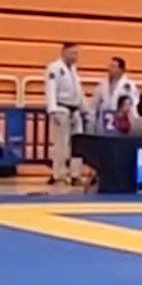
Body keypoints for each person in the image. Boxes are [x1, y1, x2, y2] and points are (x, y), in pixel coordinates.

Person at [44, 42, 85, 185]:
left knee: (78, 144)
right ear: (63, 52)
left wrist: (84, 109)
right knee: (61, 144)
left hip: (75, 111)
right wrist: (52, 110)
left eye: (76, 53)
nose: (75, 56)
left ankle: (75, 175)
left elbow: (78, 91)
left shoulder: (73, 69)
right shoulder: (54, 68)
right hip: (61, 110)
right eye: (72, 53)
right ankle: (59, 175)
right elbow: (50, 89)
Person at [87, 56, 139, 135]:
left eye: (114, 67)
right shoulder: (102, 85)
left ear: (121, 70)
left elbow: (132, 106)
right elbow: (93, 107)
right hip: (103, 124)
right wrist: (90, 128)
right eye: (110, 66)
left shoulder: (128, 85)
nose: (110, 69)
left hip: (121, 125)